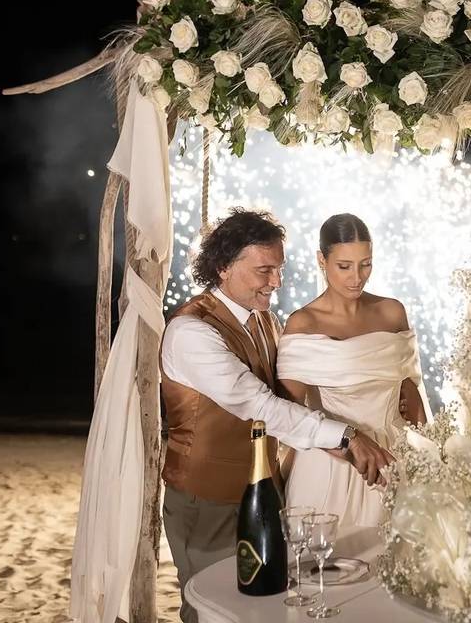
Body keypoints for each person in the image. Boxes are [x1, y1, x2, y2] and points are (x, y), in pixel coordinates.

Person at [159, 208, 393, 623]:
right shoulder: (191, 332)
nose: (277, 282)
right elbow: (259, 405)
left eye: (279, 269)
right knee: (212, 609)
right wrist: (345, 437)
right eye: (264, 270)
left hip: (265, 493)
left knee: (263, 608)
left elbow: (289, 405)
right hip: (208, 500)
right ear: (223, 268)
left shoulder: (265, 320)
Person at [278, 213, 429, 527]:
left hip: (395, 461)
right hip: (330, 469)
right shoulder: (303, 323)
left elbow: (413, 396)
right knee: (325, 568)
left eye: (366, 263)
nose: (357, 277)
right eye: (344, 266)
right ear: (322, 260)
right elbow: (289, 418)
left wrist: (429, 458)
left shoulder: (392, 312)